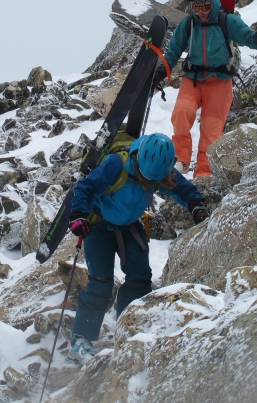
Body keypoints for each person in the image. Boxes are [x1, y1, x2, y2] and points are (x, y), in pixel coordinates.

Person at [66, 133, 209, 364]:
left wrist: (196, 205)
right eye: (144, 174)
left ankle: (129, 328)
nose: (148, 179)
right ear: (139, 159)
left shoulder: (161, 169)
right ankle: (81, 340)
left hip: (130, 226)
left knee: (140, 278)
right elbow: (86, 187)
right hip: (99, 225)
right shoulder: (117, 164)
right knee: (101, 282)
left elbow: (181, 188)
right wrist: (79, 215)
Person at [152, 0, 257, 178]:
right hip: (193, 78)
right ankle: (181, 160)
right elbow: (173, 51)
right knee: (182, 111)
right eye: (196, 7)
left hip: (220, 81)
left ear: (213, 3)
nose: (201, 11)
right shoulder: (189, 24)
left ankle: (204, 173)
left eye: (205, 6)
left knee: (211, 127)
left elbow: (246, 36)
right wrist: (161, 72)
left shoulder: (226, 21)